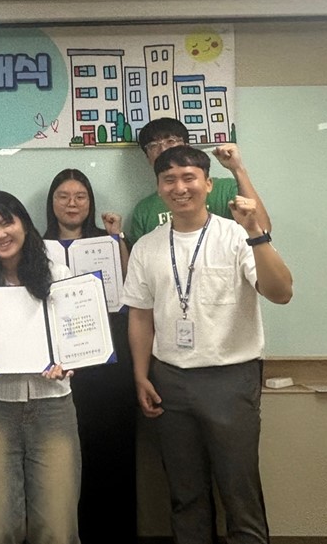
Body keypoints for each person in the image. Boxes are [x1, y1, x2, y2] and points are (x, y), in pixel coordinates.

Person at [122, 146, 293, 544]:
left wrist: (256, 233)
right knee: (185, 494)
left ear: (208, 184)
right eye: (169, 180)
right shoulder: (147, 246)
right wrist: (141, 375)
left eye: (189, 178)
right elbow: (140, 315)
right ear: (159, 188)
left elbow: (281, 293)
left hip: (231, 378)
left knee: (239, 491)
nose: (179, 187)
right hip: (170, 380)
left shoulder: (237, 234)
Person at [0, 191, 80, 544]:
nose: (0, 234)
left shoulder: (57, 272)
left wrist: (69, 361)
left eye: (7, 223)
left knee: (57, 524)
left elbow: (74, 336)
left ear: (24, 223)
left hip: (52, 404)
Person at [44, 169, 136, 543]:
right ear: (51, 202)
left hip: (110, 362)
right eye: (63, 196)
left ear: (90, 201)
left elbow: (133, 287)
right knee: (67, 458)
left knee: (113, 449)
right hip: (63, 366)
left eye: (80, 196)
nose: (72, 203)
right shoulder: (37, 246)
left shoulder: (108, 240)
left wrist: (117, 239)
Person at [128, 118, 271, 246]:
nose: (163, 149)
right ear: (147, 157)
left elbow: (262, 230)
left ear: (187, 146)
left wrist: (238, 169)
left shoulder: (226, 189)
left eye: (170, 141)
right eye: (153, 145)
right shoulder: (144, 210)